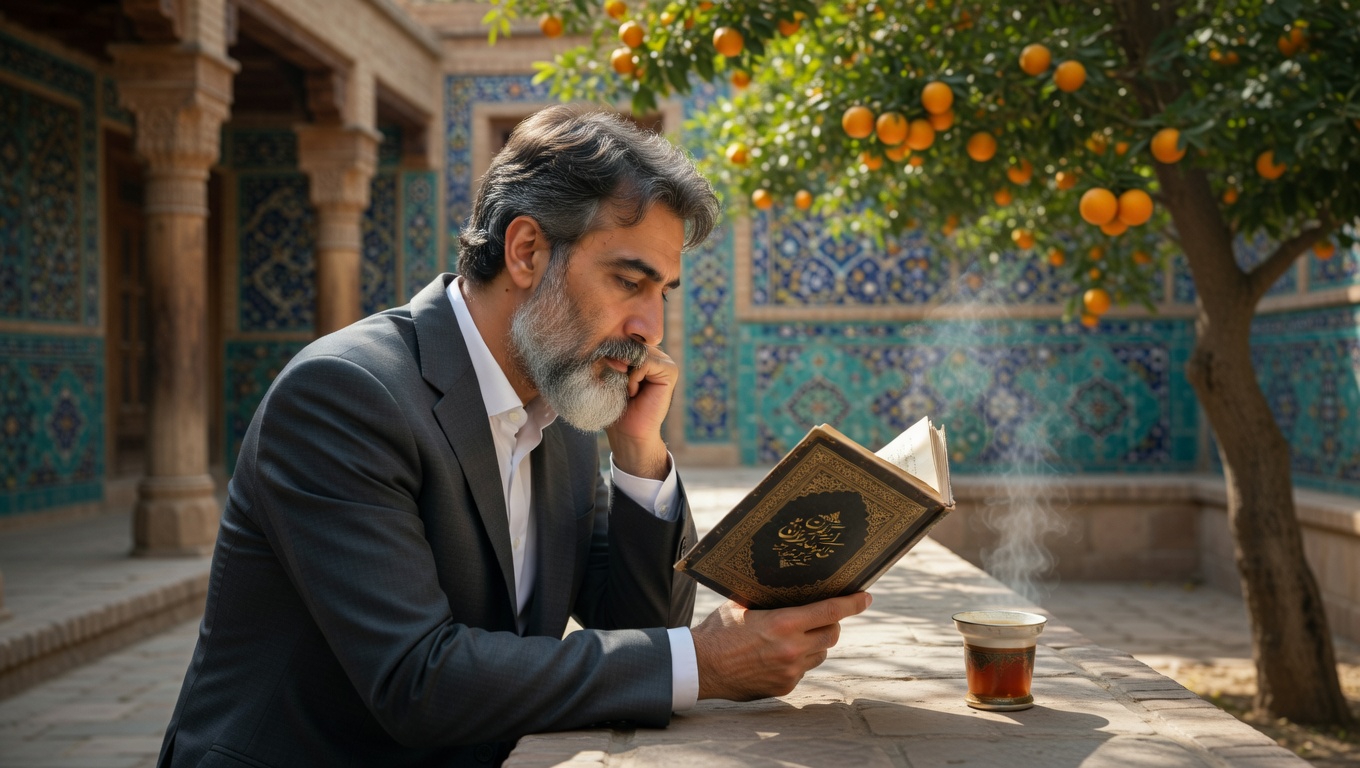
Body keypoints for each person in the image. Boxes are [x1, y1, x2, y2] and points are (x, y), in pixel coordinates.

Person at [156, 105, 871, 767]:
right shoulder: (346, 396)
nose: (651, 327)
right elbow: (417, 679)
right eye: (630, 281)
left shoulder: (559, 408)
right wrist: (704, 663)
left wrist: (639, 455)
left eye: (663, 293)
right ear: (526, 250)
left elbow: (636, 625)